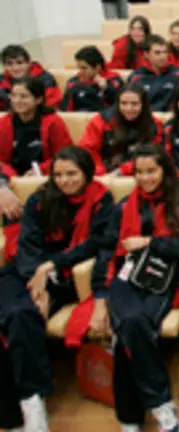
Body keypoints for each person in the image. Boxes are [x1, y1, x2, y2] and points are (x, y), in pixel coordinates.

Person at [0, 146, 114, 432]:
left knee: (20, 315)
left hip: (64, 275)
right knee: (14, 313)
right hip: (25, 272)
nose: (65, 181)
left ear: (86, 173)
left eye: (72, 174)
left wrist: (48, 269)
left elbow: (94, 245)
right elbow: (27, 244)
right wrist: (35, 280)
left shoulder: (102, 199)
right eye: (59, 175)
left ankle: (32, 404)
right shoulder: (40, 198)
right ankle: (15, 414)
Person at [100, 145, 179, 432]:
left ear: (164, 170)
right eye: (139, 172)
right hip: (125, 277)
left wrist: (150, 243)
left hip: (162, 277)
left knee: (128, 333)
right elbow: (108, 249)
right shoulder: (125, 205)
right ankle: (162, 408)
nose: (145, 178)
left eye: (151, 171)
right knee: (132, 326)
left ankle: (130, 420)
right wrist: (98, 295)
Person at [78, 82, 165, 176]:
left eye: (134, 104)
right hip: (105, 174)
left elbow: (155, 156)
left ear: (143, 105)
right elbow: (87, 151)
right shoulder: (101, 121)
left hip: (143, 174)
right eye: (124, 103)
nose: (129, 108)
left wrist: (123, 170)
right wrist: (102, 174)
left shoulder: (155, 124)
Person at [0, 77, 73, 176]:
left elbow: (65, 155)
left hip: (45, 175)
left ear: (38, 99)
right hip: (10, 177)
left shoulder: (53, 122)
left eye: (24, 96)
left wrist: (40, 170)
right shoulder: (4, 123)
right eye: (14, 96)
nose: (17, 101)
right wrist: (12, 176)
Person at [127, 35, 179, 112]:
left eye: (165, 52)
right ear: (146, 54)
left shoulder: (178, 74)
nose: (163, 56)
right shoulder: (137, 76)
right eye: (157, 53)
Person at [61, 45, 124, 112]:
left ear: (97, 67)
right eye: (79, 68)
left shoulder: (114, 80)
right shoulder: (73, 82)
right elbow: (65, 110)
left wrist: (106, 89)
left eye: (84, 68)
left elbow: (120, 106)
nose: (81, 72)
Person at [0, 45, 62, 111]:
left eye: (20, 63)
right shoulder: (2, 80)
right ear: (4, 66)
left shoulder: (45, 79)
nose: (15, 68)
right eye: (9, 64)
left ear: (29, 63)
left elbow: (52, 105)